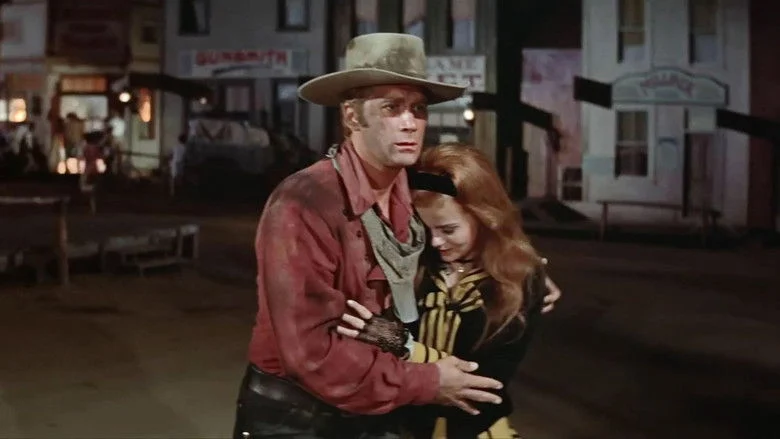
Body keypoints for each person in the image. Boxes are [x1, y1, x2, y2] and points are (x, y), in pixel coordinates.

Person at [232, 33, 561, 439]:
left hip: (380, 410)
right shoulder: (304, 204)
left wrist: (524, 270)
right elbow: (310, 354)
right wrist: (427, 381)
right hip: (300, 416)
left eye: (418, 109)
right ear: (352, 117)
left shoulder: (411, 181)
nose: (410, 123)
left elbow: (480, 208)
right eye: (391, 107)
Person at [337, 144, 553, 438]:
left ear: (485, 216)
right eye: (424, 228)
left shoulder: (518, 279)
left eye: (448, 229)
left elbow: (485, 381)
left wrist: (403, 345)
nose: (435, 242)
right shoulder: (417, 262)